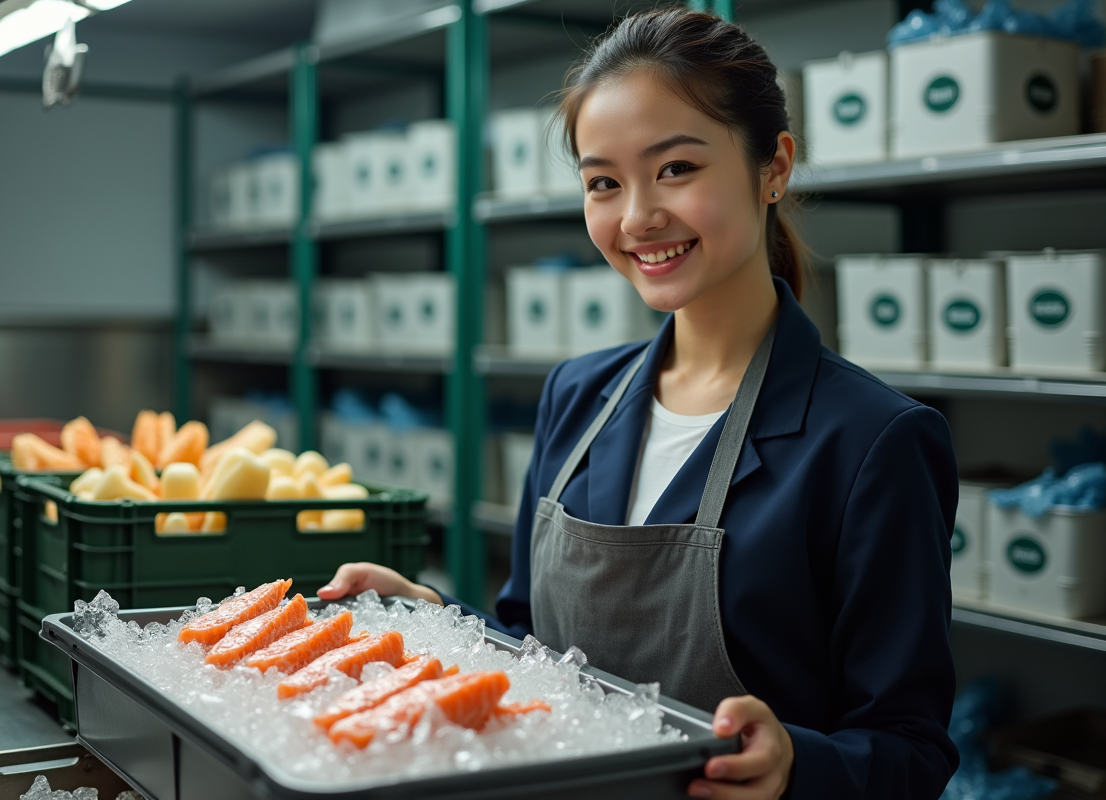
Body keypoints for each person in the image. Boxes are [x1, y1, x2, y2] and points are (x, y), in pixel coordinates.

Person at [319, 8, 959, 799]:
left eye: (677, 169)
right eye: (603, 183)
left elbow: (912, 749)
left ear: (774, 167)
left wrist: (797, 763)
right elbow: (536, 657)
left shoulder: (872, 440)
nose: (636, 217)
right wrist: (431, 615)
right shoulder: (577, 396)